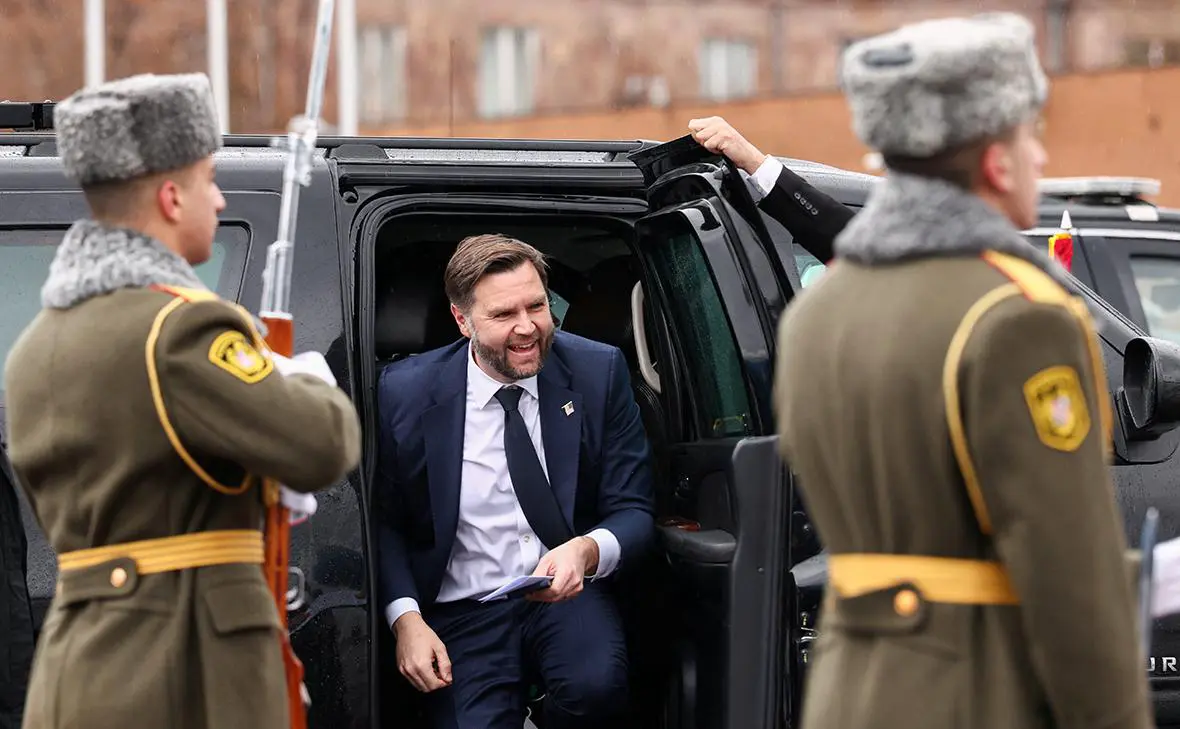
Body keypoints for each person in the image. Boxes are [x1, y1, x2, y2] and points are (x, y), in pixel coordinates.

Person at [769, 13, 1154, 729]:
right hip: (977, 696)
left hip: (847, 693)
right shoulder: (1020, 317)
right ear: (998, 163)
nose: (1041, 156)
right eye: (1031, 136)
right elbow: (1070, 576)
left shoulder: (818, 312)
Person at [2, 73, 362, 729]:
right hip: (189, 673)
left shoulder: (34, 346)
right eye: (208, 181)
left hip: (78, 670)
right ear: (171, 197)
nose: (218, 199)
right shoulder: (181, 329)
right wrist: (300, 377)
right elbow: (323, 445)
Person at [374, 233, 655, 729]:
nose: (527, 328)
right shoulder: (406, 391)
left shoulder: (598, 371)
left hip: (565, 595)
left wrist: (586, 550)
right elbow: (386, 520)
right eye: (504, 314)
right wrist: (406, 620)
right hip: (462, 607)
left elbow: (633, 509)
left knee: (597, 687)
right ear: (463, 320)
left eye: (537, 306)